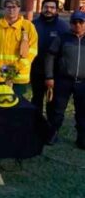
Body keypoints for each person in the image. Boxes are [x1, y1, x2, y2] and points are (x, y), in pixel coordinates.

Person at [45, 11, 85, 148]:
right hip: (64, 80)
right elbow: (50, 57)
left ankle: (82, 138)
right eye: (75, 22)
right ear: (71, 24)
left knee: (82, 111)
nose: (78, 25)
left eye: (81, 22)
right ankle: (53, 134)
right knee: (57, 110)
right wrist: (49, 76)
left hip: (83, 82)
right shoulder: (62, 38)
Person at [0, 0, 38, 95]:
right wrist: (2, 68)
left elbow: (32, 51)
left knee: (17, 107)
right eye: (8, 7)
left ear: (19, 8)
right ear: (4, 8)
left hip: (19, 77)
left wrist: (16, 68)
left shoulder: (29, 27)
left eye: (14, 7)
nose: (11, 10)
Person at [31, 0, 69, 116]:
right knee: (36, 99)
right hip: (36, 69)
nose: (49, 10)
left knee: (52, 101)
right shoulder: (33, 25)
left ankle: (50, 128)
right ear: (41, 8)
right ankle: (36, 125)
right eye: (46, 7)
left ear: (56, 10)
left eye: (52, 7)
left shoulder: (63, 27)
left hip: (56, 72)